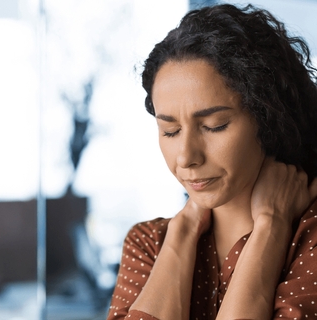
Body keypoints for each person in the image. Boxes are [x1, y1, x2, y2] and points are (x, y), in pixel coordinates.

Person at [107, 3, 317, 319]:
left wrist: (271, 227)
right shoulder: (148, 243)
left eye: (214, 125)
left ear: (270, 118)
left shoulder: (310, 235)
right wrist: (184, 228)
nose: (186, 157)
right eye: (171, 130)